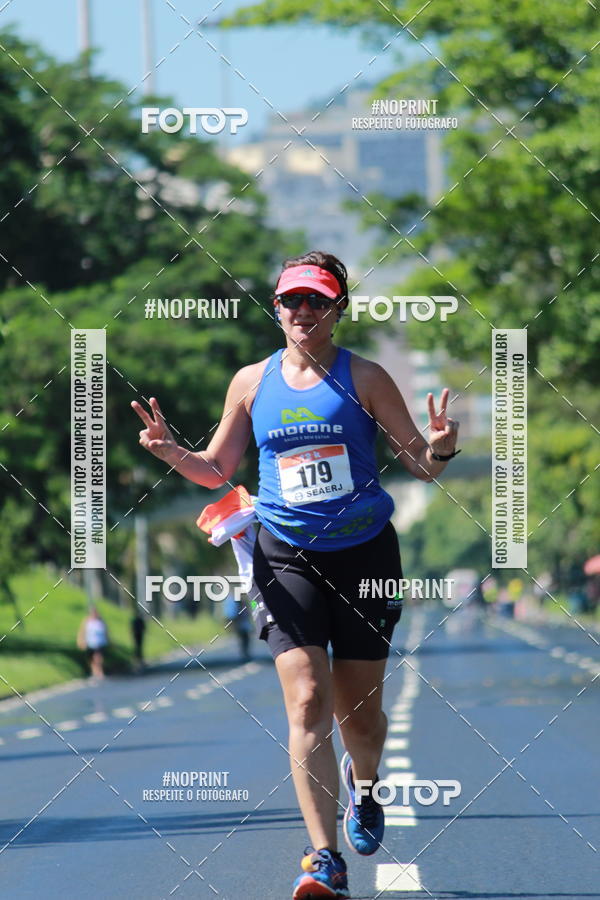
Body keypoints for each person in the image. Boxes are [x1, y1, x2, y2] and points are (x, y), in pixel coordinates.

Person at [131, 250, 461, 899]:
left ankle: (364, 789)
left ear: (339, 308)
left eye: (317, 300)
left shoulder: (364, 377)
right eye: (292, 300)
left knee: (359, 716)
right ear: (276, 308)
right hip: (284, 554)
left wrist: (442, 444)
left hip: (366, 555)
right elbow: (218, 468)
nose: (303, 311)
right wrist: (172, 452)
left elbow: (421, 464)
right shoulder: (251, 383)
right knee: (308, 698)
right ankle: (324, 858)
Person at [77, 606, 109, 681]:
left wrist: (108, 640)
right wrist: (81, 641)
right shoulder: (87, 621)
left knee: (98, 657)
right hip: (90, 642)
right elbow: (82, 631)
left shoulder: (101, 621)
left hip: (100, 642)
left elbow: (106, 631)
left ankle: (100, 672)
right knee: (91, 658)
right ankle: (94, 672)